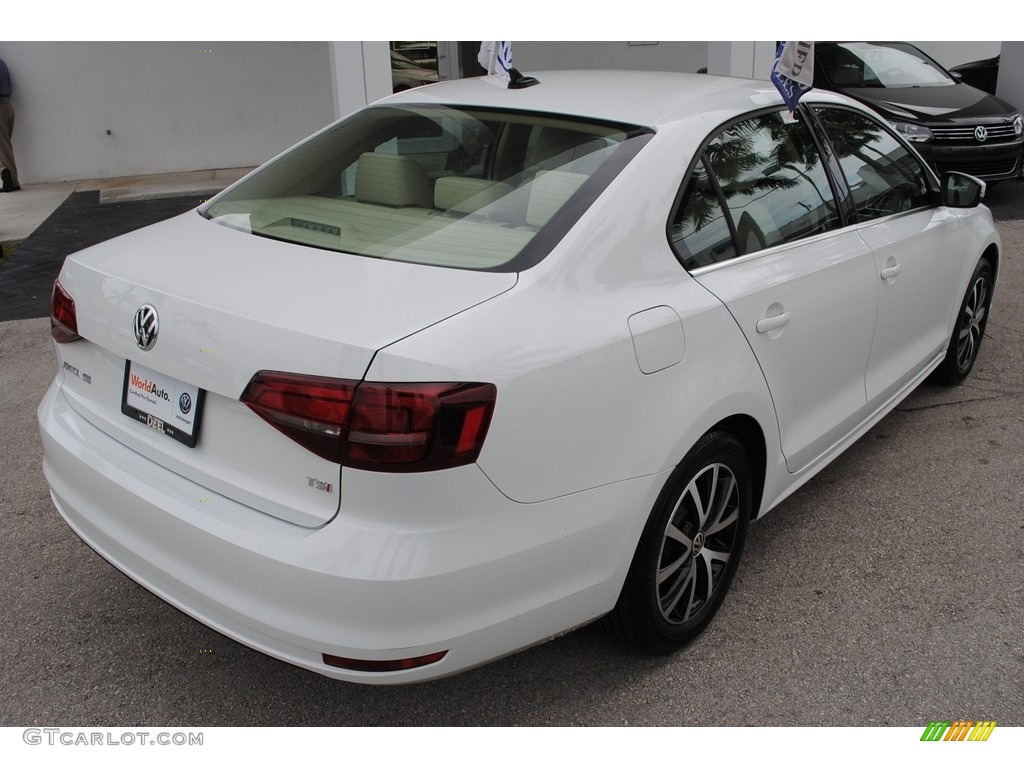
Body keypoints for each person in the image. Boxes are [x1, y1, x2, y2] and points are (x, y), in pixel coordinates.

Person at [0, 56, 20, 192]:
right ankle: (7, 174)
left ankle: (10, 178)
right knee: (4, 147)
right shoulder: (2, 63)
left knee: (3, 148)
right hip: (7, 105)